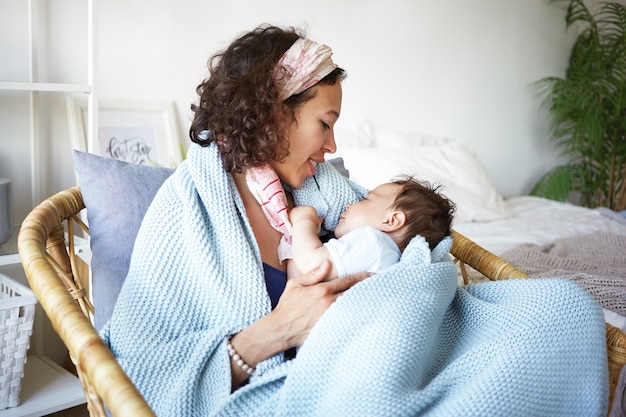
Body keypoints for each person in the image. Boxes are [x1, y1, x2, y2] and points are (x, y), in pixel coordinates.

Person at [100, 24, 369, 415]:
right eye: (325, 124)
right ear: (275, 114)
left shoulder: (323, 191)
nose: (332, 145)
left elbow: (403, 238)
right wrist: (279, 330)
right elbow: (136, 377)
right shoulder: (186, 208)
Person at [288, 177, 456, 280]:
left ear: (391, 221)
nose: (350, 203)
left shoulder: (373, 241)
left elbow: (310, 264)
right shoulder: (386, 254)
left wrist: (304, 219)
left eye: (366, 199)